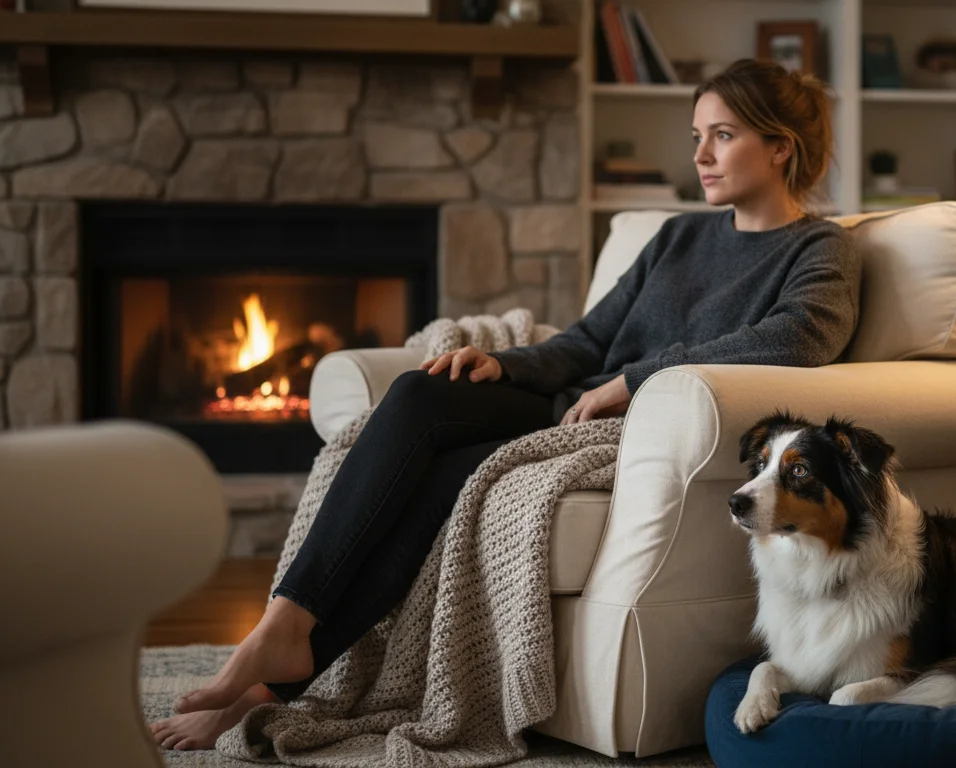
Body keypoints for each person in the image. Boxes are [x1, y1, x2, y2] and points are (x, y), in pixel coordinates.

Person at [150, 58, 863, 751]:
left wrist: (634, 381)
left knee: (446, 478)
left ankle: (268, 685)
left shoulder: (820, 249)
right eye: (696, 136)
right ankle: (287, 621)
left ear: (780, 148)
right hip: (569, 401)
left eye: (724, 135)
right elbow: (586, 341)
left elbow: (801, 337)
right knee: (420, 392)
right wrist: (504, 363)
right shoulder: (677, 236)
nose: (702, 155)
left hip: (631, 428)